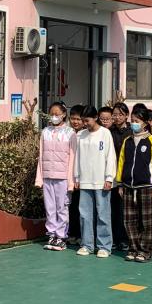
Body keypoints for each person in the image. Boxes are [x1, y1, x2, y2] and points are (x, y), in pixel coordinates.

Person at [116, 104, 152, 262]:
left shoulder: (151, 141)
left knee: (147, 221)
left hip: (146, 186)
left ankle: (145, 250)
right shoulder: (128, 141)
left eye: (137, 121)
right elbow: (121, 162)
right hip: (128, 186)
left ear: (145, 123)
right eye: (133, 120)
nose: (134, 123)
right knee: (129, 220)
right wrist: (120, 183)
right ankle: (133, 248)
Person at [74, 105, 116, 258]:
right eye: (83, 121)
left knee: (103, 214)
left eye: (87, 121)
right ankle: (87, 244)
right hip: (85, 180)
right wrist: (77, 177)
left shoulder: (105, 133)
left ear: (96, 118)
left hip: (101, 181)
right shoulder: (81, 135)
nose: (85, 124)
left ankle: (104, 246)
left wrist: (109, 178)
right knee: (85, 214)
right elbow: (77, 157)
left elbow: (110, 156)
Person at [35, 101, 76, 251]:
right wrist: (39, 178)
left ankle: (61, 236)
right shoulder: (45, 132)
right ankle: (51, 234)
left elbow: (73, 158)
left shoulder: (70, 133)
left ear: (64, 114)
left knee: (62, 208)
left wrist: (71, 182)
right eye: (51, 114)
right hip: (47, 176)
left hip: (63, 178)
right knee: (50, 208)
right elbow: (40, 156)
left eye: (57, 114)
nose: (54, 116)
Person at [108, 102, 132, 252]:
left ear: (126, 116)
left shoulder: (131, 131)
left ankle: (125, 239)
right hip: (112, 175)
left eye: (120, 114)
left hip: (126, 175)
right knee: (113, 209)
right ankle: (115, 239)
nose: (117, 117)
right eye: (115, 115)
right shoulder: (109, 131)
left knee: (125, 210)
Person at [67, 105, 86, 245]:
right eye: (73, 118)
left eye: (78, 119)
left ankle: (81, 234)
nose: (75, 122)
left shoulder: (85, 135)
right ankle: (72, 233)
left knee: (81, 207)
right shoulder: (67, 133)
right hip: (68, 176)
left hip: (81, 177)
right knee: (71, 207)